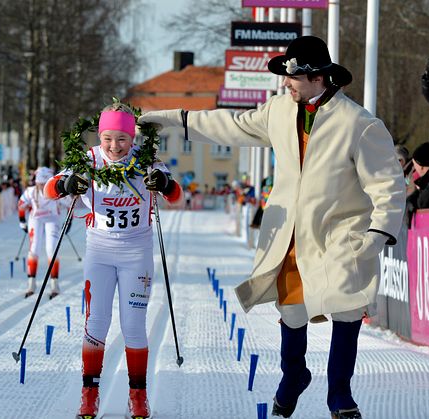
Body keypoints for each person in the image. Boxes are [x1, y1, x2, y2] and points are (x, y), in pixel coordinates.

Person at [141, 36, 405, 419]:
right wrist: (173, 118)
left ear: (318, 77)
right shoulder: (279, 111)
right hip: (291, 235)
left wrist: (378, 232)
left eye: (293, 77)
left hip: (342, 234)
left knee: (347, 310)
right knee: (293, 310)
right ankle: (294, 374)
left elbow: (387, 183)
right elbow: (228, 125)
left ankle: (340, 396)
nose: (286, 83)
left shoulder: (359, 124)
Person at [44, 103, 182, 419]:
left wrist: (163, 184)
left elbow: (176, 196)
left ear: (132, 138)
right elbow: (49, 189)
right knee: (96, 323)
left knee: (133, 326)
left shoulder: (147, 162)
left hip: (137, 254)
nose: (114, 146)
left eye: (122, 139)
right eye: (108, 138)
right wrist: (66, 185)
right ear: (100, 136)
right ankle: (89, 397)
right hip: (100, 253)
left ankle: (138, 398)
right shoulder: (88, 160)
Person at [17, 167, 64, 299]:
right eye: (39, 183)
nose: (41, 186)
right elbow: (21, 204)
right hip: (36, 219)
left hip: (52, 219)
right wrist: (22, 221)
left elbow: (70, 203)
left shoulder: (56, 191)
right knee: (34, 248)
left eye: (44, 183)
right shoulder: (31, 191)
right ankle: (31, 283)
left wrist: (69, 221)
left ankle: (54, 284)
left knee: (51, 249)